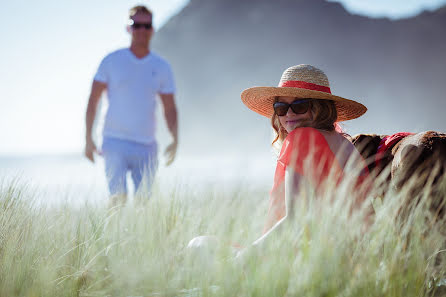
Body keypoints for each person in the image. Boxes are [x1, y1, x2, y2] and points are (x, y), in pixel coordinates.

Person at [239, 64, 371, 254]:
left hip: (313, 257)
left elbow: (296, 220)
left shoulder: (302, 139)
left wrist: (247, 255)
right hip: (355, 256)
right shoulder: (343, 142)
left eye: (299, 106)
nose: (289, 113)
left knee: (199, 245)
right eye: (281, 107)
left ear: (319, 107)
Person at [85, 5, 178, 205]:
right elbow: (93, 100)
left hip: (147, 145)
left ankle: (138, 237)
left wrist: (174, 138)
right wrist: (88, 138)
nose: (142, 30)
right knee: (117, 200)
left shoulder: (161, 67)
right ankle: (113, 237)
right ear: (128, 28)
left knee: (143, 205)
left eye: (146, 26)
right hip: (114, 141)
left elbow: (169, 108)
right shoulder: (111, 61)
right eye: (137, 25)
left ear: (152, 29)